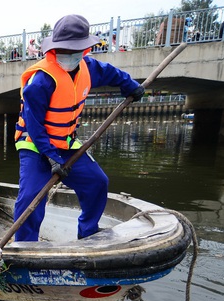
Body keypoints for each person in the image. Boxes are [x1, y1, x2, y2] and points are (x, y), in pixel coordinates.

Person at [13, 14, 145, 241]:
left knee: (97, 182)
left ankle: (88, 232)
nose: (69, 55)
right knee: (31, 197)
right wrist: (52, 158)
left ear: (84, 50)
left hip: (64, 143)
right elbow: (34, 125)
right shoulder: (40, 81)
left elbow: (111, 73)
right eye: (64, 50)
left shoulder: (88, 67)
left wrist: (131, 86)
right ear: (54, 49)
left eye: (74, 50)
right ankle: (24, 246)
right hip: (36, 145)